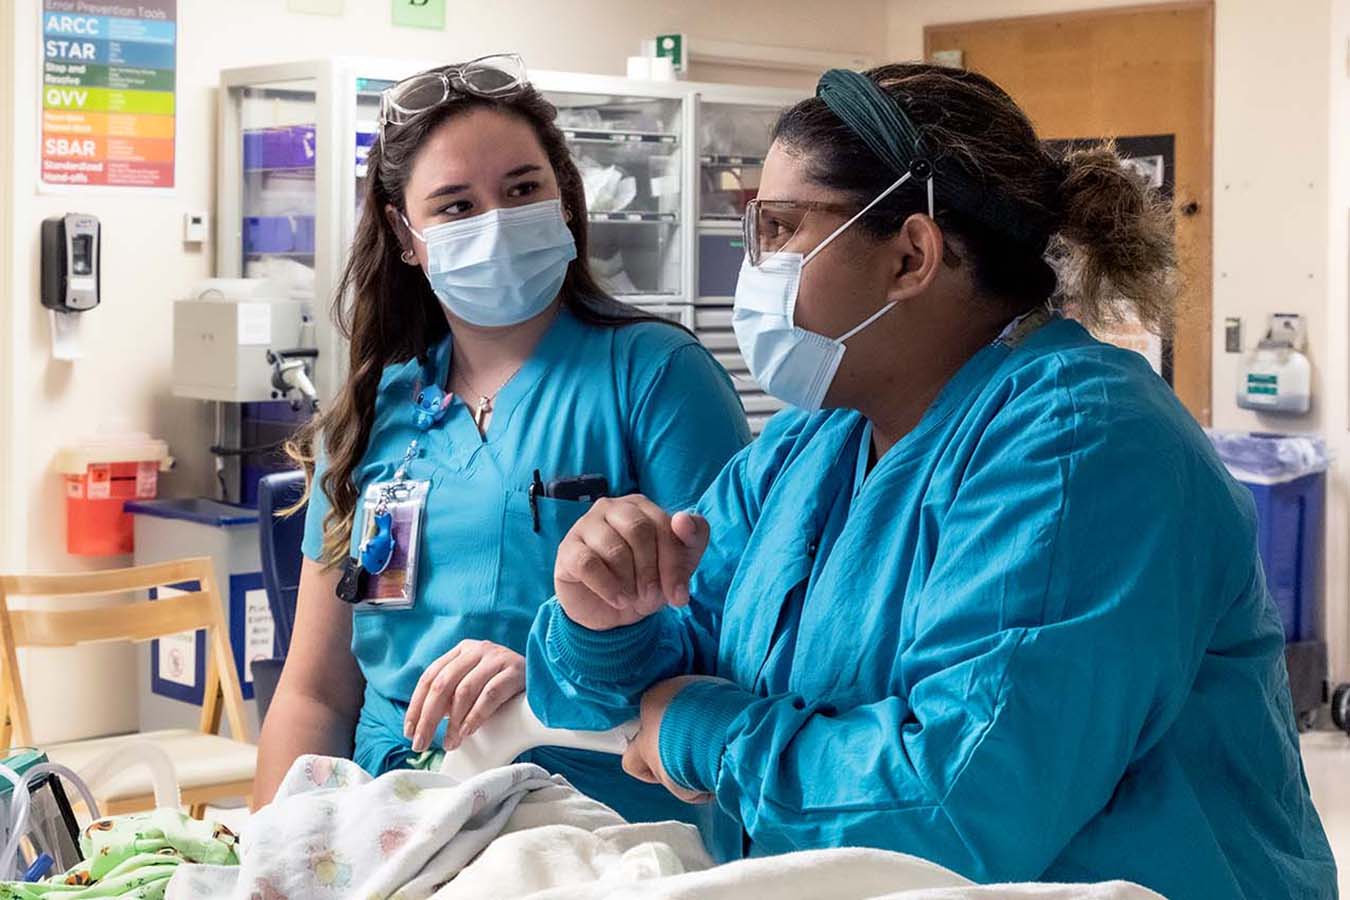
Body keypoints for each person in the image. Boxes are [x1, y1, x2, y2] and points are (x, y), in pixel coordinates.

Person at [525, 63, 1336, 898]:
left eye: (779, 227)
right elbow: (676, 647)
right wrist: (606, 619)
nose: (755, 264)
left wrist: (702, 730)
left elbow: (963, 806)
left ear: (912, 254)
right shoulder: (815, 442)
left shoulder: (1080, 444)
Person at [253, 55, 751, 827]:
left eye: (521, 190)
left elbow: (735, 637)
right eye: (454, 205)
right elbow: (316, 691)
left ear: (562, 197)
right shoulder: (373, 415)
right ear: (405, 235)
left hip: (598, 819)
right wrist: (272, 855)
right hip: (395, 820)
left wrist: (553, 667)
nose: (494, 221)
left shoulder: (656, 377)